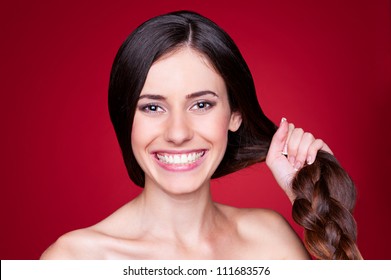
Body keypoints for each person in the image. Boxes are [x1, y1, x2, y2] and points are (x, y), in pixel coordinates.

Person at [41, 11, 362, 260]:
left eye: (201, 104)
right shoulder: (74, 260)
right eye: (153, 107)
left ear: (235, 113)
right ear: (128, 120)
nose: (178, 133)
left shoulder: (271, 240)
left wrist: (311, 203)